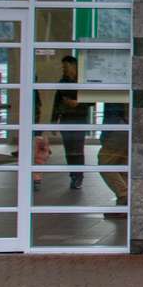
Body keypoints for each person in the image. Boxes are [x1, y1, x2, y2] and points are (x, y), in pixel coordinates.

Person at [53, 55, 87, 190]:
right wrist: (54, 121)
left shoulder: (82, 81)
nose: (64, 69)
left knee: (78, 149)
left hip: (80, 119)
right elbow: (57, 103)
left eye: (66, 66)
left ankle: (78, 176)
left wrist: (77, 103)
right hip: (66, 119)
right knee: (69, 150)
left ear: (74, 66)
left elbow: (91, 100)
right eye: (63, 67)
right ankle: (73, 175)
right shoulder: (62, 82)